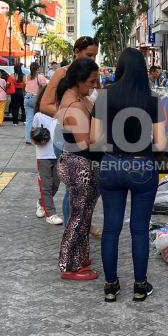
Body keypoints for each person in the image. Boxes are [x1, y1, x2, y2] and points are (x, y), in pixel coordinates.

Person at [90, 48, 167, 302]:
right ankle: (140, 286)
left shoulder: (104, 96)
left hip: (111, 166)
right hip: (143, 167)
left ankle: (111, 287)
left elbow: (94, 139)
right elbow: (162, 143)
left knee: (111, 229)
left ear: (120, 68)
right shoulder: (153, 99)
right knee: (139, 230)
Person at [40, 36, 101, 234]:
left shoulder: (92, 73)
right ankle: (71, 229)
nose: (92, 59)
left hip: (89, 135)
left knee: (88, 185)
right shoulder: (62, 73)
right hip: (67, 136)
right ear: (76, 52)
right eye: (88, 55)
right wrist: (72, 117)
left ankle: (82, 223)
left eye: (95, 55)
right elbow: (44, 105)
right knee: (74, 187)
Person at [55, 58, 102, 280]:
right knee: (79, 217)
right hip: (79, 164)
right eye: (92, 81)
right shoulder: (74, 104)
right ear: (79, 79)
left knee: (83, 214)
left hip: (76, 161)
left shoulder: (76, 97)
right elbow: (86, 141)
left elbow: (98, 111)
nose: (95, 85)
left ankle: (80, 257)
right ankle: (68, 265)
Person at [32, 84, 63, 225]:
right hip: (43, 155)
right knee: (46, 185)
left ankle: (41, 202)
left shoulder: (62, 113)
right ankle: (50, 214)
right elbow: (32, 134)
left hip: (59, 154)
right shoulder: (39, 116)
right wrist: (37, 140)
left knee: (55, 185)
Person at [24, 63, 48, 145]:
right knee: (39, 118)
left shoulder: (26, 77)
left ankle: (28, 139)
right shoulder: (40, 77)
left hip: (27, 97)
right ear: (38, 69)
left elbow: (24, 87)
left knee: (29, 120)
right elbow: (45, 89)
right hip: (36, 99)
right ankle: (39, 137)